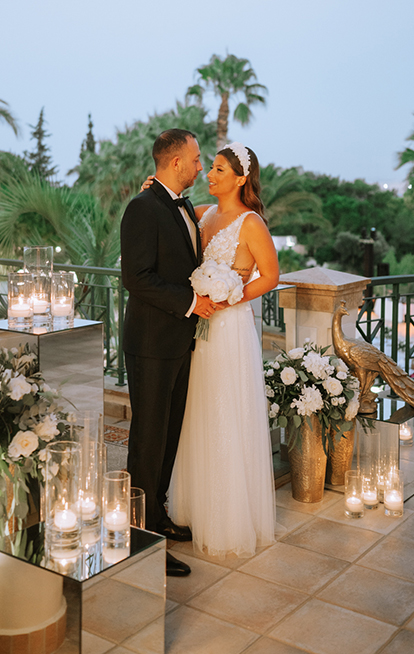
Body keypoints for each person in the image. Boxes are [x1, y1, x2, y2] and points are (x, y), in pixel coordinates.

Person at [168, 141, 279, 558]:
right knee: (201, 409)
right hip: (203, 325)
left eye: (216, 169)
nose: (208, 175)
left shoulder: (251, 223)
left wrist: (230, 296)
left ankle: (230, 518)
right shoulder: (204, 215)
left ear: (239, 178)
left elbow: (270, 275)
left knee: (228, 411)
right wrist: (151, 190)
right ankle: (197, 507)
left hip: (230, 327)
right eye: (208, 167)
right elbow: (171, 218)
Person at [120, 129, 221, 577]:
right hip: (151, 343)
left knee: (168, 436)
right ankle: (138, 540)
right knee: (147, 440)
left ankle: (155, 517)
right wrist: (190, 303)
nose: (201, 166)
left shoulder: (179, 207)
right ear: (176, 162)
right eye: (197, 159)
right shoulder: (142, 208)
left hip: (178, 341)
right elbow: (137, 277)